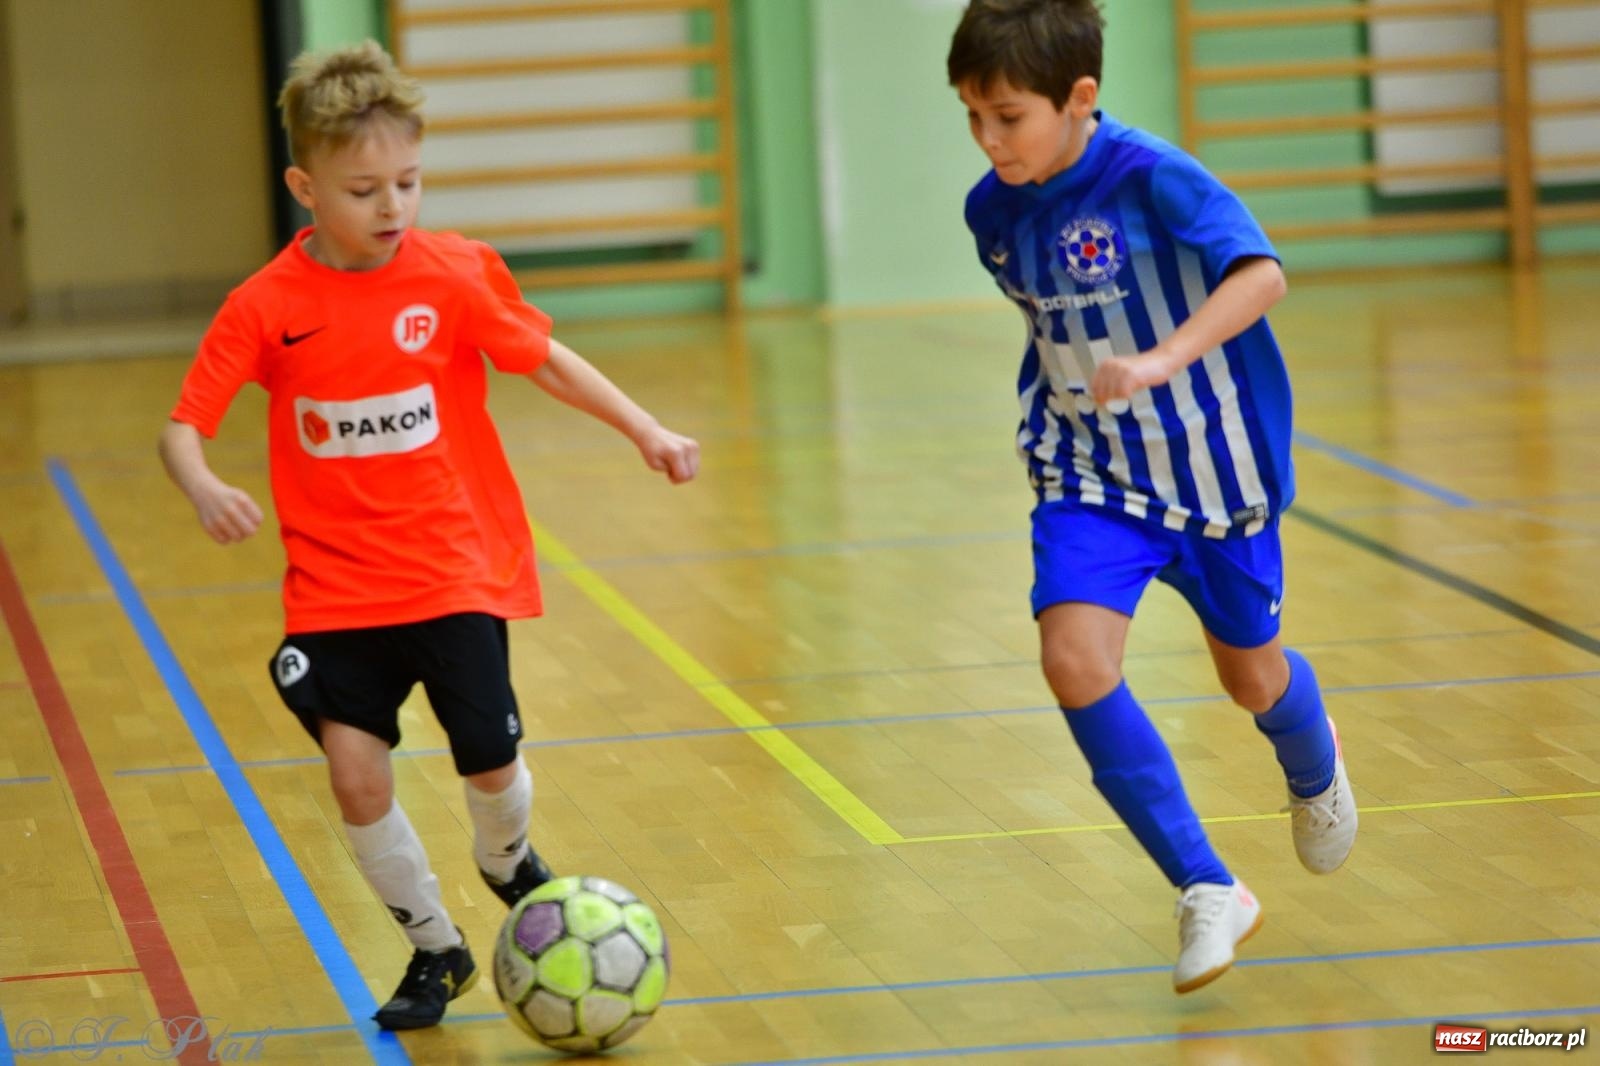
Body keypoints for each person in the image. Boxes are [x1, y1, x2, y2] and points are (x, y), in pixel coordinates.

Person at [157, 40, 699, 1030]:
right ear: (303, 186)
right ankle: (434, 947)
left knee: (488, 765)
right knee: (353, 770)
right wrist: (201, 482)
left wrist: (646, 428)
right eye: (363, 188)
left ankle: (504, 859)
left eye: (407, 181)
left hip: (453, 570)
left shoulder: (450, 275)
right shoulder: (268, 305)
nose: (392, 205)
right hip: (333, 590)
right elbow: (183, 421)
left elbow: (548, 361)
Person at [946, 0, 1356, 993]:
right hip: (1088, 473)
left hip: (1218, 474)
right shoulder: (990, 211)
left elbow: (1260, 275)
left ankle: (1313, 762)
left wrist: (1166, 357)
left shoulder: (1154, 175)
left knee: (1250, 677)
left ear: (1078, 99)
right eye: (970, 116)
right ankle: (1205, 883)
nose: (987, 139)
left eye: (1007, 116)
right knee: (1073, 660)